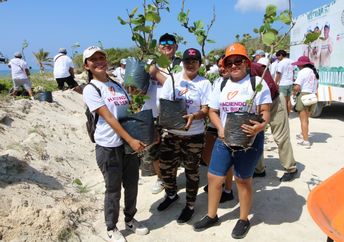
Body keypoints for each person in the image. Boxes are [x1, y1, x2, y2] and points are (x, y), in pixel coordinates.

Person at [193, 43, 271, 239]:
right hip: (224, 138)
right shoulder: (221, 84)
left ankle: (243, 219)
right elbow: (213, 111)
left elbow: (265, 112)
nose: (234, 65)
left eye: (238, 61)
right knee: (214, 177)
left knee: (243, 180)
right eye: (230, 62)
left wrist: (259, 127)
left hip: (249, 140)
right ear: (225, 65)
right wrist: (220, 128)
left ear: (246, 62)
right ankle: (212, 215)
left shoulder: (257, 83)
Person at [82, 46, 149, 242]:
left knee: (131, 184)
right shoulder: (91, 89)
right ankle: (111, 227)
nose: (99, 61)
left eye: (101, 57)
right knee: (113, 189)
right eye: (94, 59)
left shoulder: (117, 84)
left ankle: (130, 219)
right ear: (87, 65)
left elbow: (127, 112)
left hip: (127, 145)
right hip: (108, 146)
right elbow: (110, 118)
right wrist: (131, 139)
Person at [157, 48, 212, 224]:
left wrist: (194, 116)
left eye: (194, 61)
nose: (190, 64)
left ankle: (190, 205)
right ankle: (171, 194)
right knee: (166, 168)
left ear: (199, 64)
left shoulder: (204, 83)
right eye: (187, 60)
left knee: (191, 172)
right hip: (172, 133)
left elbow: (206, 109)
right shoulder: (173, 80)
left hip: (193, 135)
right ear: (182, 63)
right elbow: (163, 103)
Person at [141, 33, 181, 194]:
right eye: (163, 43)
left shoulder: (180, 65)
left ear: (176, 46)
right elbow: (140, 88)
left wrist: (156, 73)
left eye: (170, 42)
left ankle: (171, 180)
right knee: (153, 152)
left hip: (171, 116)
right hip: (150, 115)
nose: (166, 45)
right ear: (158, 47)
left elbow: (176, 88)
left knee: (171, 152)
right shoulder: (150, 62)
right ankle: (161, 179)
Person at [252, 56, 298, 181]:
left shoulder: (257, 68)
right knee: (256, 136)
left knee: (281, 137)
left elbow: (271, 88)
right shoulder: (232, 76)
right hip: (255, 107)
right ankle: (259, 169)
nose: (234, 65)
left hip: (274, 102)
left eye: (238, 61)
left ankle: (291, 168)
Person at [292, 56, 319, 149]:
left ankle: (306, 141)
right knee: (306, 119)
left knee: (303, 120)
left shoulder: (302, 72)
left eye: (299, 65)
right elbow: (317, 86)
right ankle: (303, 134)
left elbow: (297, 87)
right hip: (313, 96)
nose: (298, 66)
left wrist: (294, 92)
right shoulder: (314, 72)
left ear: (302, 64)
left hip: (304, 95)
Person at [275, 50, 294, 115]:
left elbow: (278, 74)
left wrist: (275, 83)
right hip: (290, 82)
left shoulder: (281, 63)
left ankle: (285, 115)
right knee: (288, 100)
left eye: (277, 56)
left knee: (283, 101)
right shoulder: (291, 61)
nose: (277, 58)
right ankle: (288, 114)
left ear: (281, 55)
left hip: (283, 83)